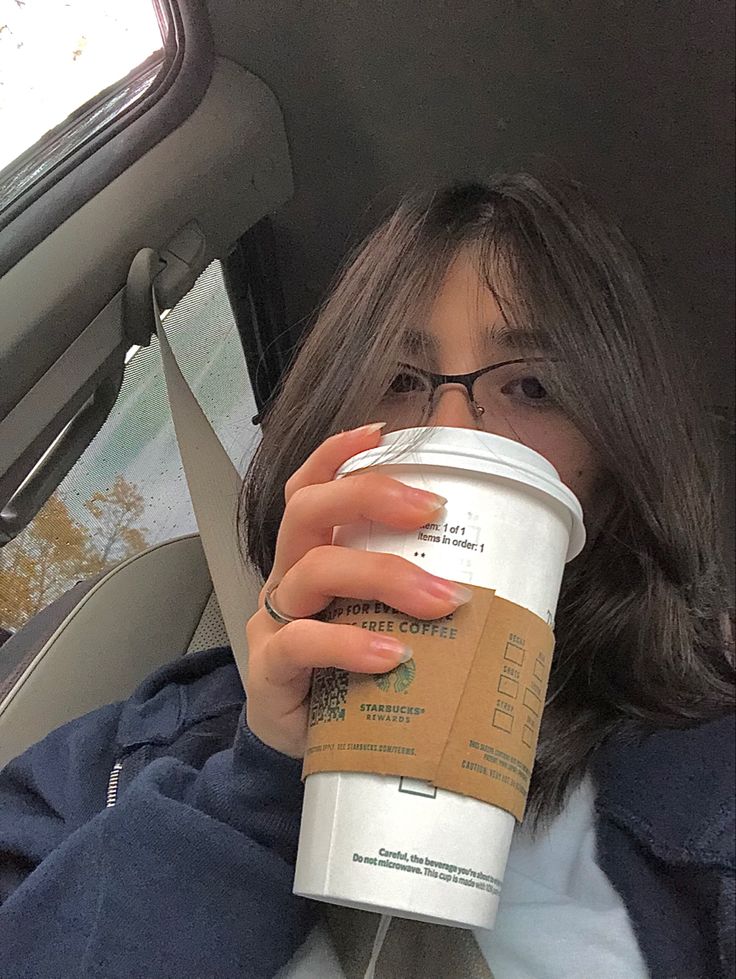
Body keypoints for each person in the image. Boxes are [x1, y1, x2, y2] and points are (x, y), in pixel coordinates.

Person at [0, 172, 733, 979]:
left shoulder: (706, 777)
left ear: (609, 467)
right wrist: (261, 781)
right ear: (328, 434)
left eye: (533, 386)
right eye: (401, 380)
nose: (451, 435)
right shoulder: (123, 758)